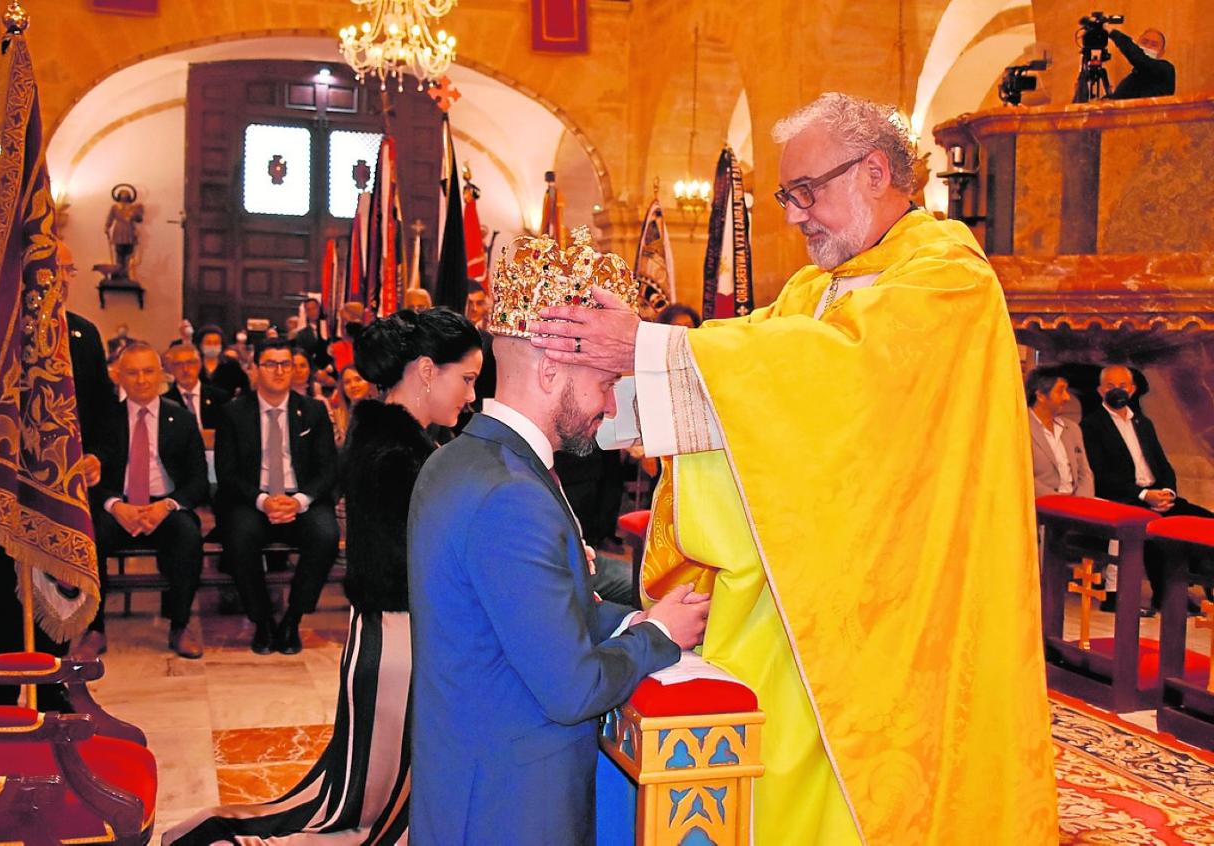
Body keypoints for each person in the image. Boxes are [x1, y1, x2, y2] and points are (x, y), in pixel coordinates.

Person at [530, 93, 1058, 844]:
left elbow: (836, 381)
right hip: (806, 586)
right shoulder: (816, 289)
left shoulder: (948, 280)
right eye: (786, 195)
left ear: (876, 171)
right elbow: (748, 377)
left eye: (806, 191)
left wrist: (648, 347)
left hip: (903, 609)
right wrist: (612, 366)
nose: (795, 214)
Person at [407, 231, 710, 844]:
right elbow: (574, 688)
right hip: (513, 805)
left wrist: (630, 621)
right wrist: (656, 637)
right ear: (550, 369)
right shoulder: (512, 494)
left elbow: (524, 620)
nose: (609, 405)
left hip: (465, 782)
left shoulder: (460, 459)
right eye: (603, 383)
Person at [165, 309, 481, 845]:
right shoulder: (400, 456)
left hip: (389, 636)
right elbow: (426, 557)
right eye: (467, 379)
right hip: (399, 642)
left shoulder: (395, 440)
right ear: (427, 369)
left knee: (364, 796)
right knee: (368, 815)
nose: (471, 396)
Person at [0, 242, 112, 709]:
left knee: (51, 587)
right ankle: (2, 693)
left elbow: (105, 416)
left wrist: (98, 458)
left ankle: (49, 684)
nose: (63, 277)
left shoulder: (84, 336)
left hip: (57, 494)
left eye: (67, 269)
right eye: (56, 269)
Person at [82, 341, 209, 660]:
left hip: (166, 506)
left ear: (161, 375)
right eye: (133, 373)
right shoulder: (104, 419)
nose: (141, 380)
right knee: (89, 536)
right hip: (117, 505)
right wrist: (114, 505)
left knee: (188, 535)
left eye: (148, 371)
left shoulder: (180, 419)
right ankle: (94, 629)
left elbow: (197, 482)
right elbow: (85, 477)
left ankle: (180, 625)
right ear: (118, 377)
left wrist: (167, 506)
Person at [214, 340, 339, 655]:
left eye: (286, 364)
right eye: (270, 364)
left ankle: (293, 619)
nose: (280, 371)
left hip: (301, 500)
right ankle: (262, 621)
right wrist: (263, 501)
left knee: (325, 534)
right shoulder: (233, 413)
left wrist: (298, 501)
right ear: (254, 369)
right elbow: (226, 474)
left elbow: (328, 470)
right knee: (239, 536)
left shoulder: (312, 411)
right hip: (252, 501)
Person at [1081, 364, 1211, 615]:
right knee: (1153, 527)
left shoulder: (1143, 423)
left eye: (1122, 386)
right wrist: (1143, 496)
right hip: (1124, 498)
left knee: (1204, 522)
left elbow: (1164, 465)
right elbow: (1101, 475)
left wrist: (1167, 493)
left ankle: (1189, 588)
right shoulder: (1091, 425)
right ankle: (1166, 597)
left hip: (1156, 494)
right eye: (1110, 386)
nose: (1117, 390)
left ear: (1132, 389)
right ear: (1100, 391)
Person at [1027, 365, 1094, 497]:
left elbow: (1085, 473)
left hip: (1077, 505)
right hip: (1042, 506)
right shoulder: (1021, 428)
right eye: (1060, 391)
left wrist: (1082, 503)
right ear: (1040, 395)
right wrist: (1060, 504)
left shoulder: (1072, 429)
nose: (1067, 397)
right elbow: (1023, 477)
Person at [1109, 26, 1175, 100]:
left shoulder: (1165, 69)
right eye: (1144, 42)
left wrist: (1113, 33)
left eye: (1154, 45)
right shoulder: (1130, 80)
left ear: (1161, 53)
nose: (1148, 46)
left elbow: (1141, 60)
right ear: (1137, 45)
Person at [195, 323, 250, 398]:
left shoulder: (231, 365)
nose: (212, 346)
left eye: (216, 343)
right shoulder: (194, 365)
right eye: (208, 343)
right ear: (200, 345)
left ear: (221, 345)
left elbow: (246, 387)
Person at [329, 363, 375, 448]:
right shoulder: (335, 417)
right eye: (347, 382)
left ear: (369, 382)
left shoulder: (381, 411)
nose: (353, 385)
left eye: (358, 379)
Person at [294, 297, 331, 369]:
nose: (312, 312)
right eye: (308, 310)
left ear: (319, 309)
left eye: (314, 308)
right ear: (306, 313)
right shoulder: (302, 334)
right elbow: (302, 356)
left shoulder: (329, 328)